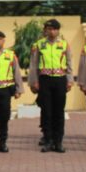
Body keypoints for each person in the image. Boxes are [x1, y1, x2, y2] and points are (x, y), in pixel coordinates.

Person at [28, 19, 73, 153]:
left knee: (59, 111)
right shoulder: (39, 45)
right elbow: (33, 65)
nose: (51, 31)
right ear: (45, 30)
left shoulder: (64, 45)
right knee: (46, 111)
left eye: (54, 29)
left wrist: (69, 80)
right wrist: (34, 81)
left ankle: (58, 142)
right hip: (44, 80)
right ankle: (48, 140)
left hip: (60, 79)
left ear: (58, 30)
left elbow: (69, 64)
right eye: (49, 29)